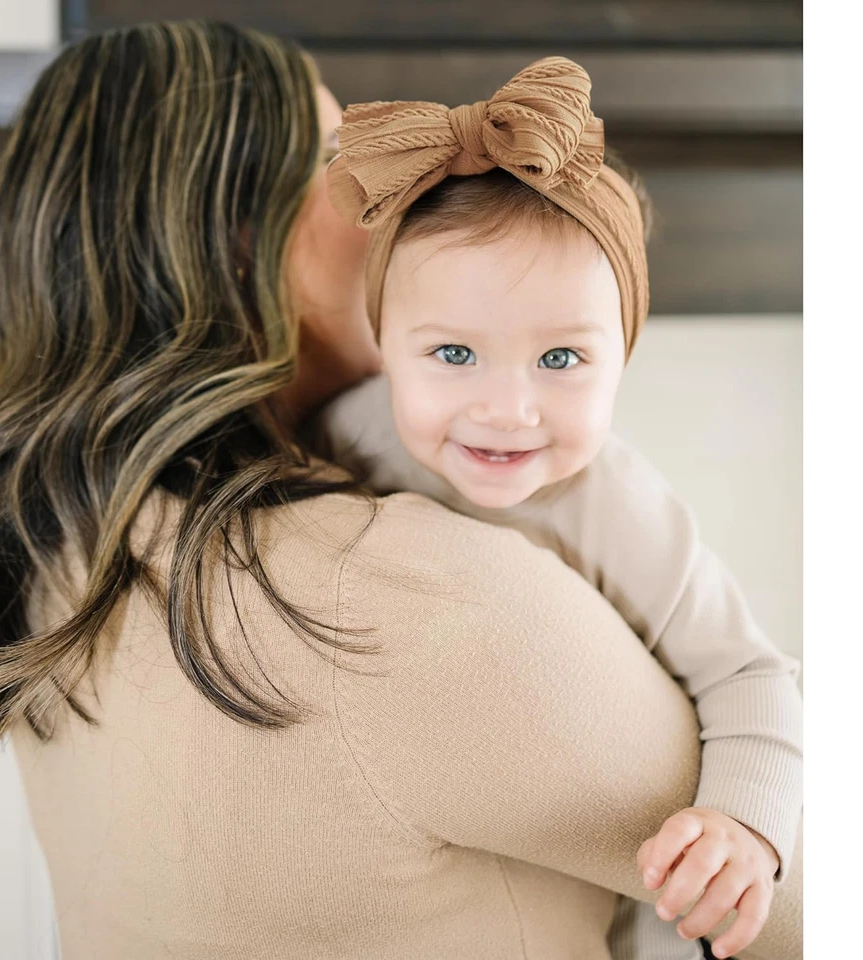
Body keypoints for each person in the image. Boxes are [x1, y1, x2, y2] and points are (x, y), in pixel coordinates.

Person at [0, 22, 801, 960]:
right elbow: (801, 913)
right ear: (246, 244)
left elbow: (750, 691)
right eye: (342, 162)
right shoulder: (396, 596)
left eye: (562, 356)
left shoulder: (60, 546)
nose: (389, 198)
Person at [316, 58, 803, 960]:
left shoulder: (615, 503)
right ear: (384, 343)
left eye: (562, 360)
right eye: (454, 355)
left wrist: (745, 827)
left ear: (623, 358)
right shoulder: (341, 440)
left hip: (587, 897)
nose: (507, 409)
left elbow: (752, 677)